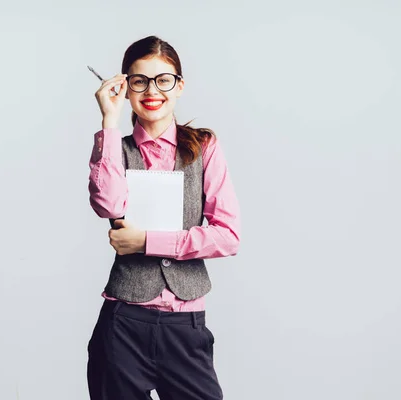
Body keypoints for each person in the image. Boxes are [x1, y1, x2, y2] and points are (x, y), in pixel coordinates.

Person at [86, 35, 241, 400]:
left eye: (163, 80)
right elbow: (108, 205)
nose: (151, 90)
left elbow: (227, 235)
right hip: (123, 324)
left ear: (179, 86)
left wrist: (146, 241)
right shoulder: (114, 148)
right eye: (139, 81)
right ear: (125, 87)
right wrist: (110, 122)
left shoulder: (204, 147)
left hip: (184, 327)